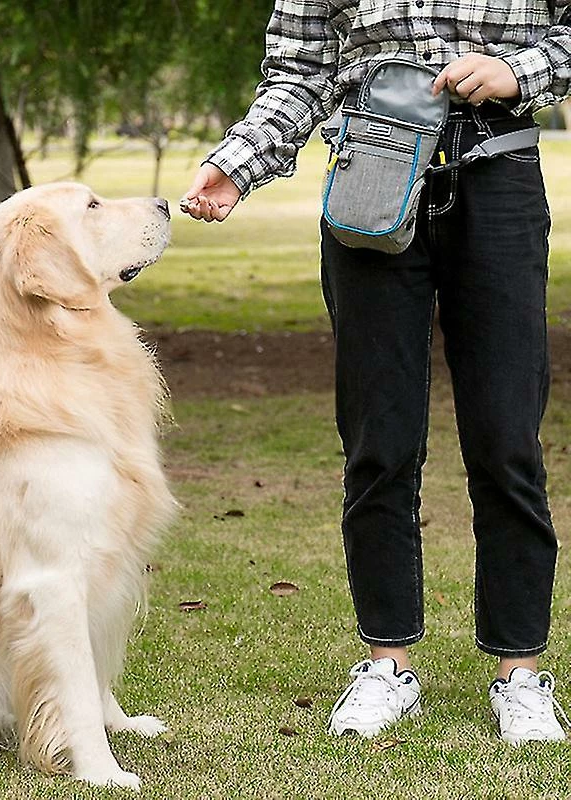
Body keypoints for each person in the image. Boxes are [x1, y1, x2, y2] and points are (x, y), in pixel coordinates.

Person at [181, 0, 571, 744]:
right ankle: (387, 665)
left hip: (500, 179)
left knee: (506, 436)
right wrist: (235, 166)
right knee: (378, 438)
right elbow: (298, 73)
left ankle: (519, 675)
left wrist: (516, 72)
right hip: (372, 176)